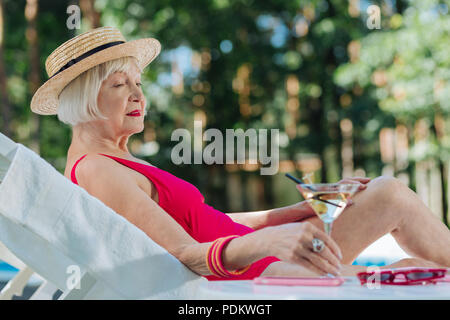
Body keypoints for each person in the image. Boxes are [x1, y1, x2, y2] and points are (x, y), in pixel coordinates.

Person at [31, 27, 450, 281]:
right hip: (255, 269)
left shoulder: (114, 161)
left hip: (257, 252)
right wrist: (270, 241)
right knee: (393, 206)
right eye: (120, 84)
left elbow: (205, 223)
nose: (139, 94)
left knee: (411, 251)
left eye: (138, 82)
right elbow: (184, 254)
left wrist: (294, 213)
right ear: (85, 97)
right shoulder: (98, 172)